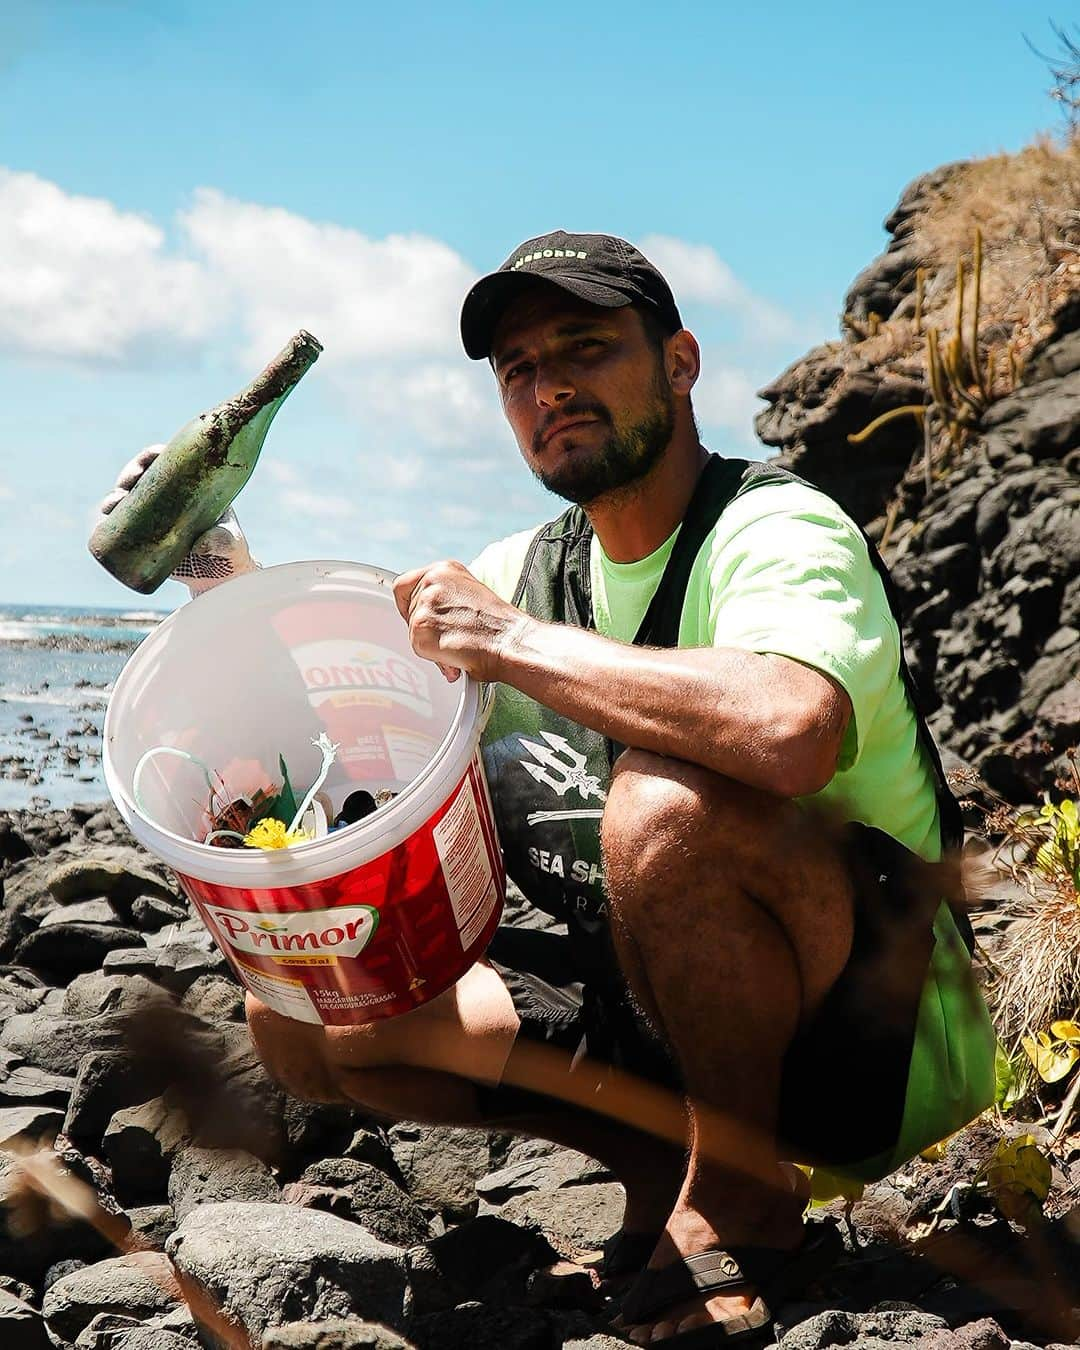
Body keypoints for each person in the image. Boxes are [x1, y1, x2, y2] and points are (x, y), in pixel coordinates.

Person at [99, 232, 996, 1349]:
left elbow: (789, 730)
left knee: (662, 808)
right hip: (671, 1018)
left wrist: (516, 641)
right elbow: (366, 759)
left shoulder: (772, 528)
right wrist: (214, 570)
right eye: (519, 369)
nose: (549, 386)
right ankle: (667, 1165)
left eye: (585, 348)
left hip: (877, 1045)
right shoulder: (527, 566)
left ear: (680, 362)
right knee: (312, 1009)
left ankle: (748, 1196)